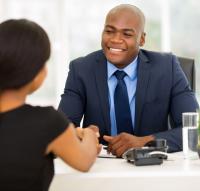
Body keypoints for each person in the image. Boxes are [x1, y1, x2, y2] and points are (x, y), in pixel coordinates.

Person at [58, 4, 199, 157]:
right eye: (109, 31)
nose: (115, 40)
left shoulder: (167, 67)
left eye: (127, 34)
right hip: (100, 164)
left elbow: (195, 130)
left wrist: (145, 142)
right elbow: (61, 130)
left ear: (142, 39)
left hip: (152, 166)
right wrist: (81, 134)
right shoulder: (81, 69)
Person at [0, 19, 101, 191]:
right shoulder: (47, 122)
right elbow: (84, 160)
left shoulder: (50, 125)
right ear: (36, 72)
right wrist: (89, 135)